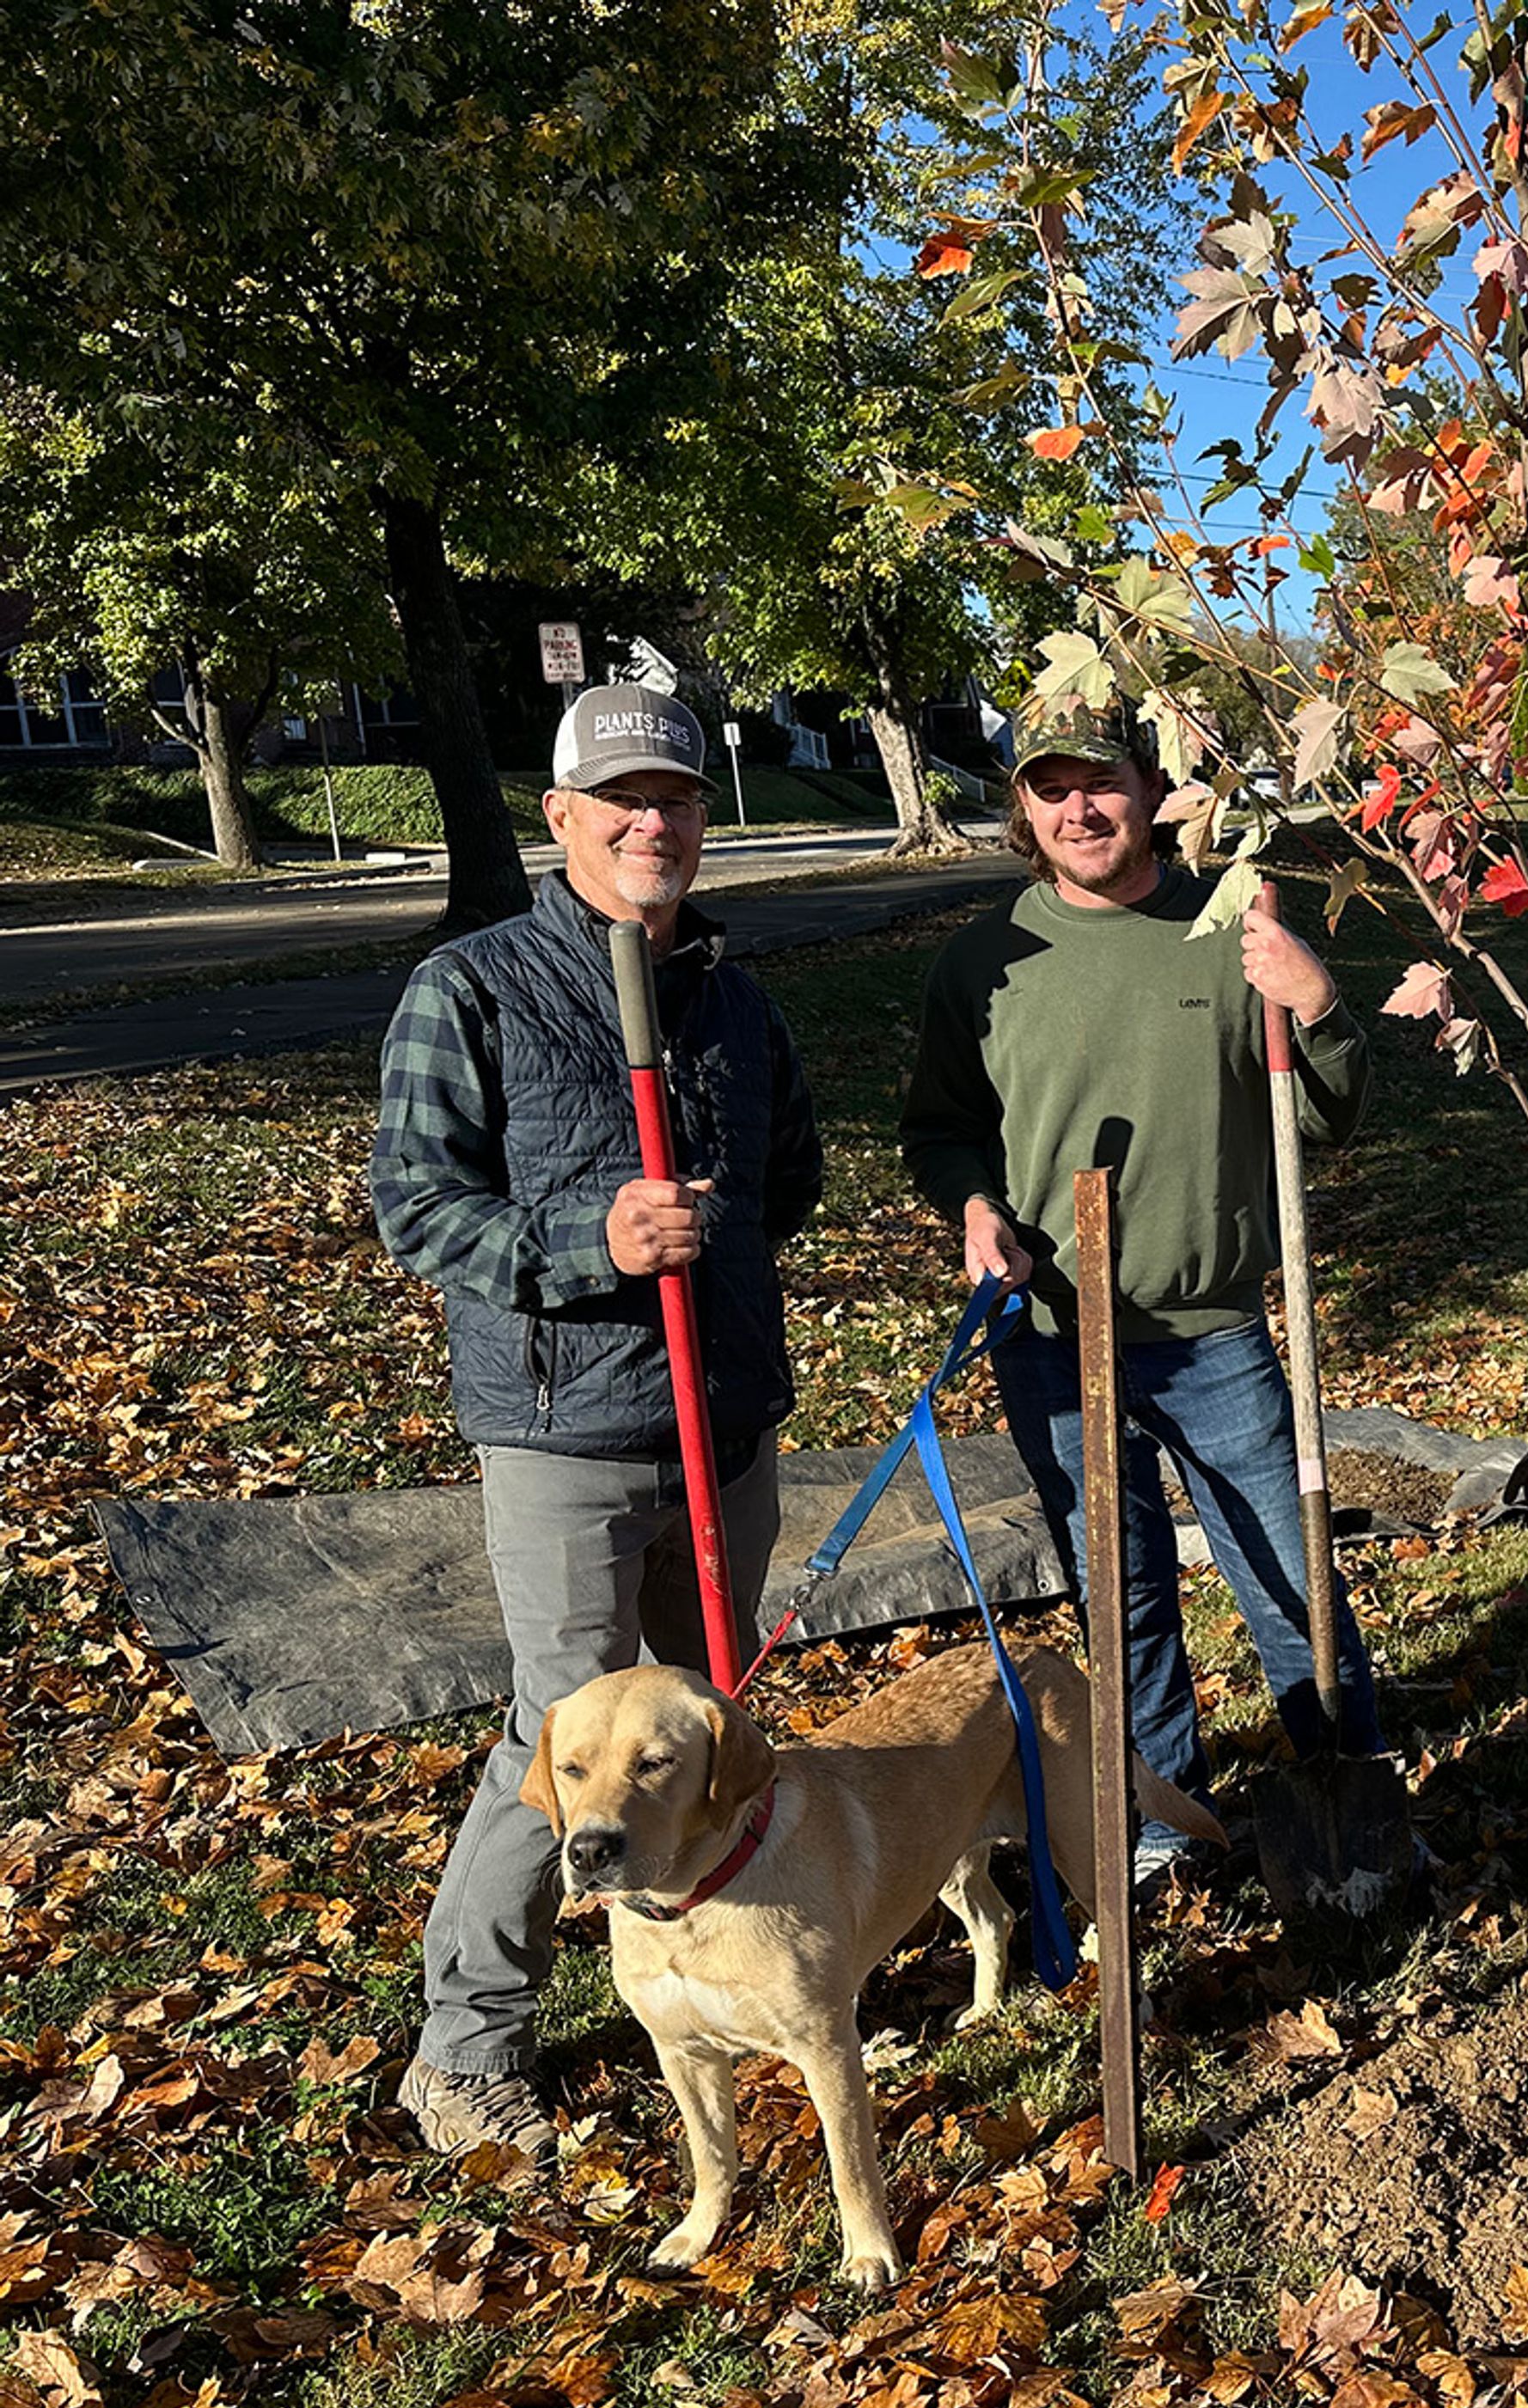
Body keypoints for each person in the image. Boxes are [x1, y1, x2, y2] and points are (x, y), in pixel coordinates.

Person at [372, 684, 823, 2158]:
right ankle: (467, 2042)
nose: (655, 822)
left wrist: (720, 1258)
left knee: (698, 1731)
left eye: (680, 799)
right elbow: (417, 1207)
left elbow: (791, 1180)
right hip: (565, 1439)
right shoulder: (477, 988)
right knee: (563, 1743)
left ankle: (706, 1967)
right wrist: (593, 1243)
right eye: (622, 798)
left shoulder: (739, 1002)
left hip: (725, 1426)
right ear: (560, 816)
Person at [901, 684, 1380, 1881]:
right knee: (1123, 1602)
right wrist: (971, 1205)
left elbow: (1327, 1117)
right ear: (1022, 808)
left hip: (1212, 1330)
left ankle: (1349, 1806)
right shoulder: (984, 961)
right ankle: (1165, 1823)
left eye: (1101, 782)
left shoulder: (1231, 932)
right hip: (1056, 1337)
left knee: (1290, 1580)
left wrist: (1316, 1000)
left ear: (1152, 793)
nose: (1079, 808)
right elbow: (943, 1127)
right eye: (1050, 788)